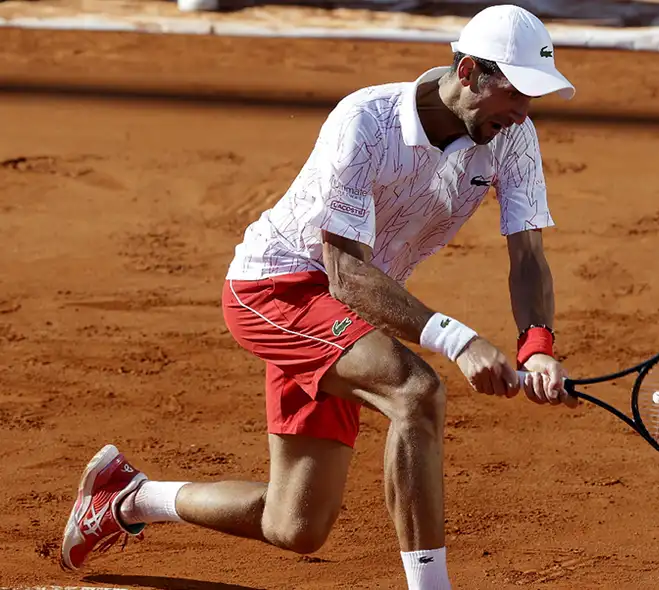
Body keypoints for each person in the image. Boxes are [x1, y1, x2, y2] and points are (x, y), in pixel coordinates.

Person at [60, 4, 578, 589]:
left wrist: (536, 345)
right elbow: (344, 272)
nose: (522, 111)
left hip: (350, 310)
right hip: (278, 287)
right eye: (514, 93)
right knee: (415, 391)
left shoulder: (513, 137)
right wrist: (456, 340)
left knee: (296, 525)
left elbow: (527, 255)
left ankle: (125, 499)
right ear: (468, 72)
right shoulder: (367, 120)